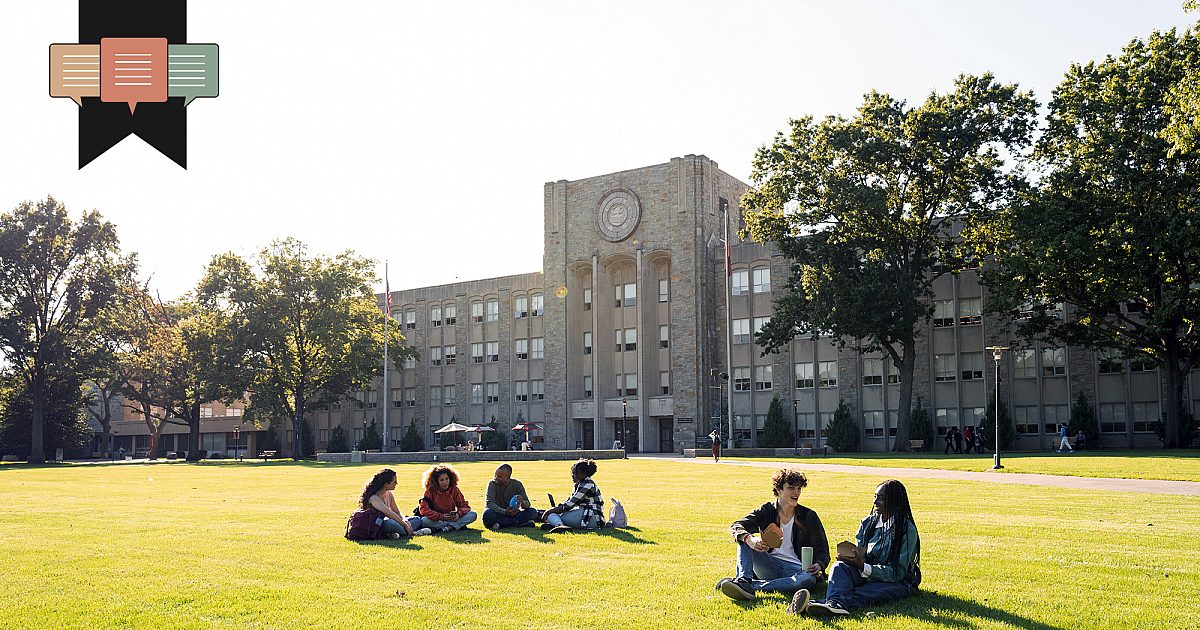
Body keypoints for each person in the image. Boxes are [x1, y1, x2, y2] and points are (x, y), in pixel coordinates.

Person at [795, 479, 921, 616]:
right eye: (875, 497)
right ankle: (832, 605)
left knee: (868, 592)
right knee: (839, 566)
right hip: (864, 574)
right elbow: (860, 553)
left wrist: (863, 566)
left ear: (894, 501)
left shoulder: (907, 530)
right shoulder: (867, 523)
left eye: (881, 499)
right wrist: (850, 558)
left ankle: (816, 604)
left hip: (896, 581)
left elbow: (898, 572)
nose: (875, 502)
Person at [716, 469, 830, 606]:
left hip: (797, 570)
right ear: (779, 489)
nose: (796, 492)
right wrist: (750, 540)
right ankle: (743, 580)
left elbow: (823, 551)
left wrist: (818, 565)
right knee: (743, 538)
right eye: (791, 488)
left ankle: (749, 586)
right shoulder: (767, 511)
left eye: (799, 488)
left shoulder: (809, 516)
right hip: (770, 565)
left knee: (807, 580)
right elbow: (737, 525)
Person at [358, 468, 428, 539]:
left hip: (392, 521)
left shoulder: (389, 494)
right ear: (386, 484)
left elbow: (397, 512)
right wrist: (405, 525)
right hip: (379, 525)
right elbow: (389, 514)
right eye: (394, 482)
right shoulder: (374, 498)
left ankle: (395, 533)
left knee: (417, 519)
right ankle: (414, 532)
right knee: (391, 524)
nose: (396, 484)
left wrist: (406, 521)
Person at [541, 459, 604, 533]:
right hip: (587, 516)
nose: (573, 475)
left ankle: (559, 525)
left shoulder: (587, 484)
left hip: (590, 517)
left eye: (575, 473)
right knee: (555, 514)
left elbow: (569, 505)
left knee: (552, 515)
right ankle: (556, 524)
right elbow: (569, 502)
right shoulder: (580, 484)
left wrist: (548, 512)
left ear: (583, 473)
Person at [416, 465, 478, 533]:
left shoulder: (454, 489)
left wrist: (458, 514)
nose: (445, 482)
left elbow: (464, 506)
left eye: (447, 479)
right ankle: (453, 526)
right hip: (437, 519)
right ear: (435, 481)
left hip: (452, 518)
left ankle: (446, 528)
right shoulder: (429, 491)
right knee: (424, 521)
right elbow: (423, 509)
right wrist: (441, 516)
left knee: (473, 514)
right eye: (441, 480)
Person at [482, 464, 540, 530]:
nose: (496, 478)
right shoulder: (492, 484)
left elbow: (527, 505)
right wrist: (505, 512)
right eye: (495, 475)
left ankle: (501, 524)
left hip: (514, 513)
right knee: (487, 514)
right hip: (498, 512)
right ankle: (518, 524)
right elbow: (489, 503)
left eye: (499, 476)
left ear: (508, 477)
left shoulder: (517, 484)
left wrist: (522, 502)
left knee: (533, 512)